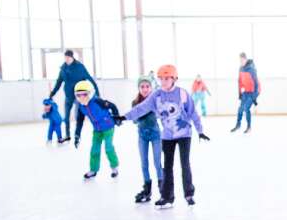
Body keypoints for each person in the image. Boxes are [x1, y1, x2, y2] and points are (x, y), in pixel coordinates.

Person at [124, 64, 208, 209]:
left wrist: (200, 131)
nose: (163, 81)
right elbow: (141, 108)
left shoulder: (182, 93)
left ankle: (189, 194)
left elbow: (193, 112)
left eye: (167, 78)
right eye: (161, 78)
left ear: (174, 78)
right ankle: (167, 197)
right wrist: (124, 117)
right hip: (167, 136)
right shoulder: (156, 95)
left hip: (184, 134)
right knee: (167, 167)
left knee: (184, 163)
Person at [74, 81, 121, 181]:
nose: (82, 98)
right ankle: (93, 170)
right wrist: (77, 135)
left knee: (108, 148)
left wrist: (117, 118)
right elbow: (79, 121)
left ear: (90, 93)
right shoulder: (81, 107)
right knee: (94, 149)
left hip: (108, 127)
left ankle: (114, 167)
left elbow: (112, 106)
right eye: (78, 95)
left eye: (84, 94)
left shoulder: (97, 101)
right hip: (97, 130)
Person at [126, 76, 163, 204]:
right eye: (142, 87)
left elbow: (159, 114)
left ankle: (163, 190)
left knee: (157, 162)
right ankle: (147, 190)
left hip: (155, 134)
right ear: (139, 88)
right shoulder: (135, 102)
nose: (145, 89)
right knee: (144, 163)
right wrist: (139, 115)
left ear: (151, 88)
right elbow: (134, 119)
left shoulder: (155, 100)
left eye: (147, 86)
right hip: (142, 135)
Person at [48, 49, 95, 147]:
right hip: (68, 96)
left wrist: (96, 93)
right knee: (66, 117)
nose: (66, 59)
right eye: (65, 57)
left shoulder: (80, 67)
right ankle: (67, 135)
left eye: (68, 57)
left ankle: (77, 135)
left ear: (72, 57)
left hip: (79, 97)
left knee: (78, 116)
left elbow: (89, 78)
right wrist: (52, 93)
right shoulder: (63, 69)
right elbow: (58, 82)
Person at [232, 54, 258, 134]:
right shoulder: (241, 69)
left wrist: (254, 97)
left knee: (246, 108)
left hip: (252, 92)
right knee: (240, 109)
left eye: (242, 60)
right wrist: (239, 93)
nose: (241, 62)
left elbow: (256, 83)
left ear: (246, 59)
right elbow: (239, 81)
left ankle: (249, 127)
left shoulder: (251, 69)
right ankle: (238, 125)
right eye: (240, 60)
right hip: (245, 92)